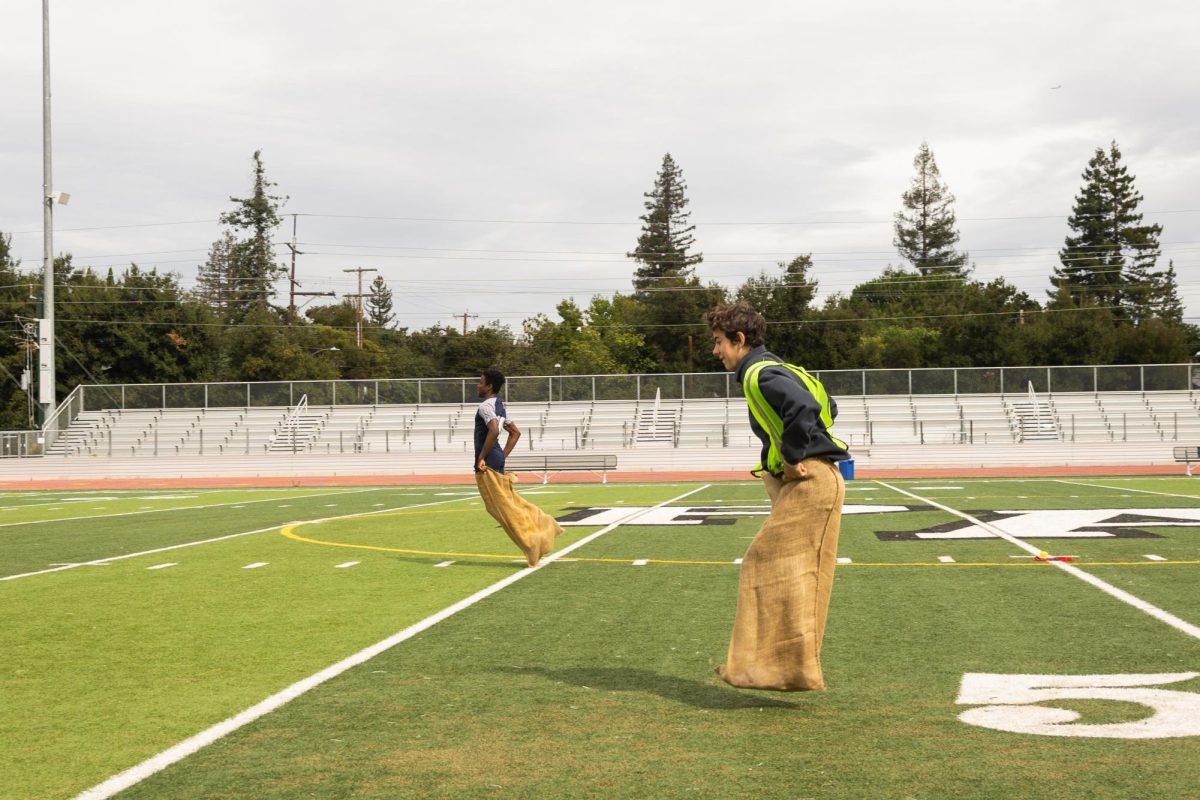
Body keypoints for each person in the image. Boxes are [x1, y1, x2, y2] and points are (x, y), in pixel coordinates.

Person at [705, 301, 849, 691]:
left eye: (719, 342)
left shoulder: (758, 373)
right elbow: (828, 405)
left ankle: (774, 669)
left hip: (810, 480)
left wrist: (791, 456)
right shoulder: (778, 367)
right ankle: (770, 668)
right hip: (808, 480)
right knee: (771, 568)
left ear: (739, 339)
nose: (715, 351)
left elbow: (804, 406)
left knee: (766, 563)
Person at [472, 368, 563, 566]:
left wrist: (482, 457)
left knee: (504, 510)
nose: (478, 385)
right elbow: (515, 433)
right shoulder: (500, 406)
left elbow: (494, 430)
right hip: (494, 459)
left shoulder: (486, 406)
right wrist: (500, 456)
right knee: (509, 504)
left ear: (489, 386)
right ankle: (544, 524)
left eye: (480, 382)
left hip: (488, 462)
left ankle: (533, 543)